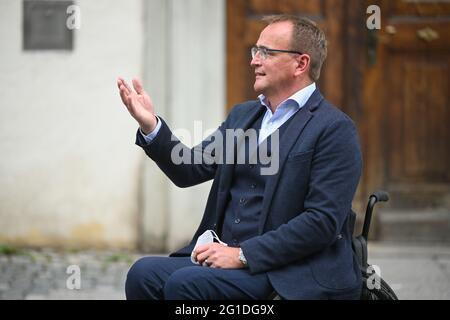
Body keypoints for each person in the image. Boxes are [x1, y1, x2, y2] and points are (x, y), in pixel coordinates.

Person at [117, 15, 362, 300]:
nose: (254, 61)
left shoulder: (334, 129)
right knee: (143, 274)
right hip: (227, 256)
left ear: (301, 64)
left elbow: (321, 222)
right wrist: (151, 126)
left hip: (290, 271)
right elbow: (189, 169)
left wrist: (243, 255)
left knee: (186, 284)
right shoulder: (243, 116)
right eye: (254, 51)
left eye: (266, 52)